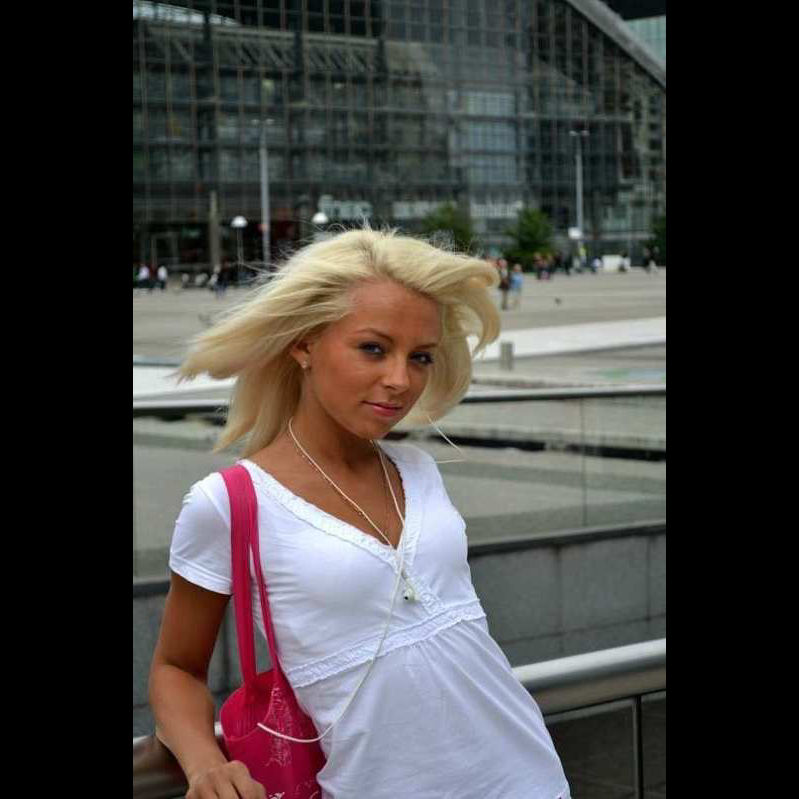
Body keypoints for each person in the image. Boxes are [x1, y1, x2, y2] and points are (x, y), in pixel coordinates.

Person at [148, 228, 571, 799]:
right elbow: (176, 668)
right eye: (373, 348)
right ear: (304, 344)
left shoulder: (419, 471)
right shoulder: (228, 502)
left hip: (529, 777)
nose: (400, 380)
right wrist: (205, 765)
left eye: (420, 357)